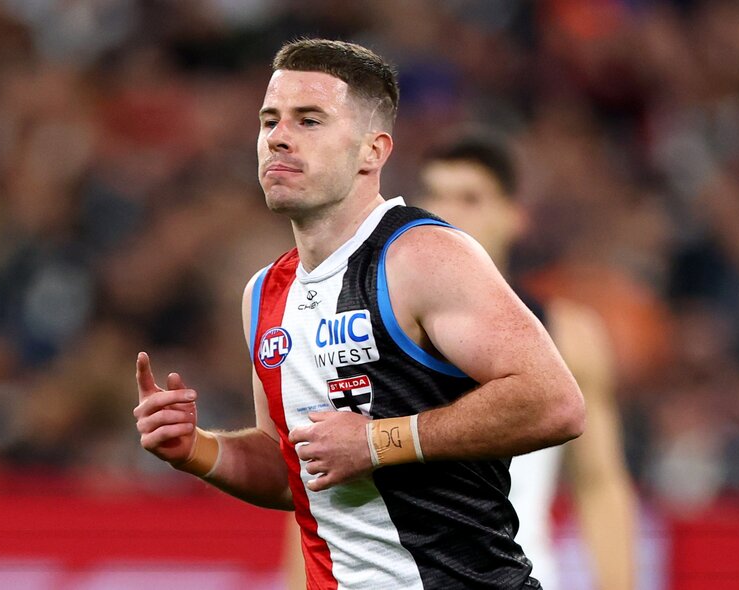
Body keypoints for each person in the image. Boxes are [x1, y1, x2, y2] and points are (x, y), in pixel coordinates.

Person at [133, 39, 585, 589]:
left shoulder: (422, 255)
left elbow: (554, 401)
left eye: (310, 120)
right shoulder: (263, 294)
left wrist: (375, 442)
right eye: (269, 120)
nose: (278, 137)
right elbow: (294, 472)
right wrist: (197, 449)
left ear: (373, 151)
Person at [417, 136, 636, 590]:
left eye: (470, 198)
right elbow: (322, 490)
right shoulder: (367, 329)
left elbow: (599, 484)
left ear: (514, 217)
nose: (445, 211)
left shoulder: (568, 336)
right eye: (434, 194)